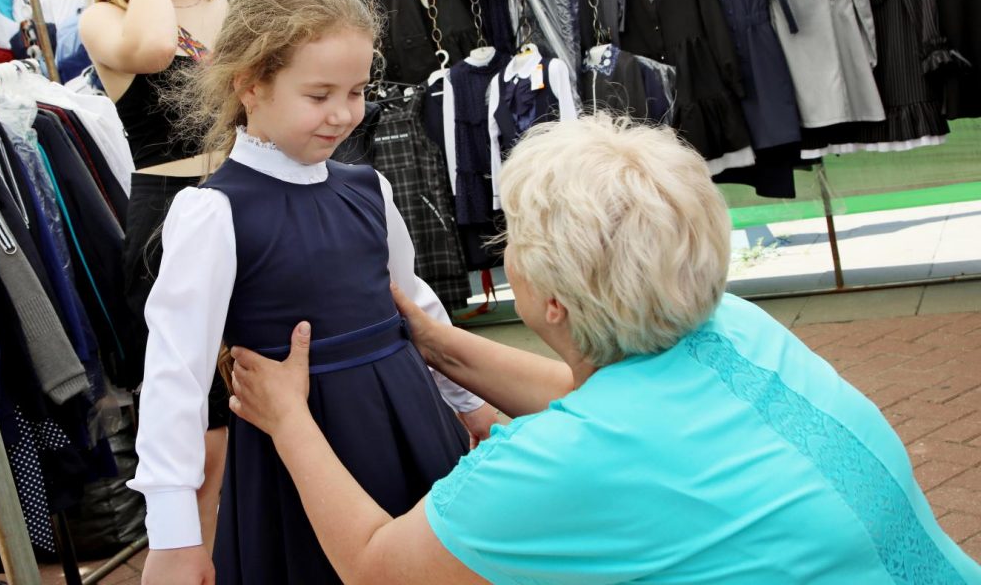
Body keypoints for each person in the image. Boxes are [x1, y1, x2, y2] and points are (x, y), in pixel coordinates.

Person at [228, 113, 981, 584]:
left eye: (515, 238)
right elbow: (600, 407)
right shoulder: (736, 325)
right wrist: (436, 344)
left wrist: (289, 420)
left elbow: (373, 567)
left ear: (552, 300)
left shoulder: (559, 461)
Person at [131, 0, 500, 585]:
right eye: (319, 96)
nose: (343, 114)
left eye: (355, 92)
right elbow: (175, 375)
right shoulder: (213, 212)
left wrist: (471, 406)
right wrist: (172, 534)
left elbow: (416, 309)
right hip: (299, 455)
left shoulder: (368, 188)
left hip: (413, 425)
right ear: (251, 85)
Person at [78, 0, 236, 550]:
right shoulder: (106, 19)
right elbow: (149, 50)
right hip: (172, 217)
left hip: (248, 199)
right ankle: (203, 554)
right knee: (200, 412)